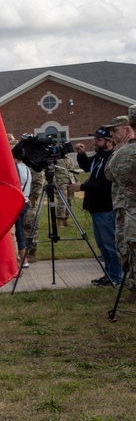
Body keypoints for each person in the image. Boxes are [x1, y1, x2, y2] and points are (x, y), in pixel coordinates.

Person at [72, 127, 122, 286]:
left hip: (106, 207)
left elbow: (105, 185)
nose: (95, 143)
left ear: (110, 142)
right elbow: (88, 167)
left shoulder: (111, 158)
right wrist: (81, 154)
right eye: (94, 140)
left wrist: (83, 188)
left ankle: (116, 276)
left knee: (110, 244)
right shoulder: (99, 157)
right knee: (102, 245)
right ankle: (109, 273)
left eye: (98, 140)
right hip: (96, 207)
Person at [105, 109, 136, 302]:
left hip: (129, 208)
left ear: (128, 129)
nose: (111, 135)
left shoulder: (122, 154)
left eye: (115, 131)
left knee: (129, 247)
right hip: (124, 208)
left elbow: (109, 174)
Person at [12, 139, 32, 269]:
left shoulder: (15, 168)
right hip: (25, 201)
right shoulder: (26, 168)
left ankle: (22, 259)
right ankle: (24, 258)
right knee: (20, 232)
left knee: (18, 233)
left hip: (18, 202)